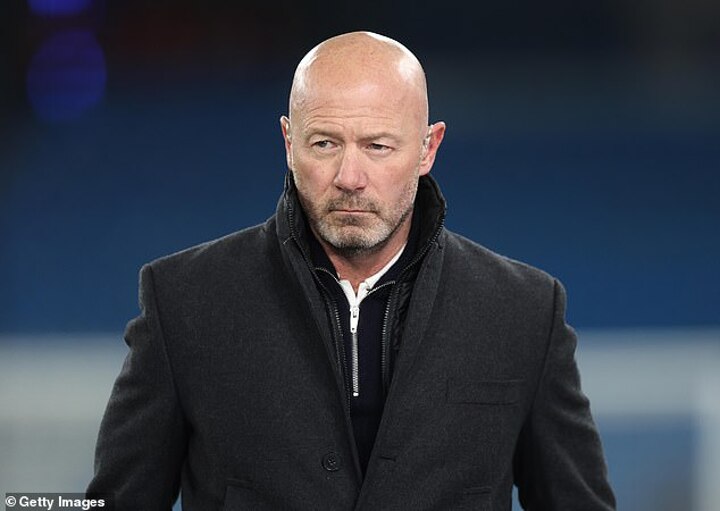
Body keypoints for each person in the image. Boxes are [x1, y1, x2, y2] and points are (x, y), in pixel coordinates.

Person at [88, 31, 616, 510]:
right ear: (289, 143)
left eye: (377, 146)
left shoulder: (524, 312)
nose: (350, 177)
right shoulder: (184, 302)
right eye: (325, 143)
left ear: (428, 148)